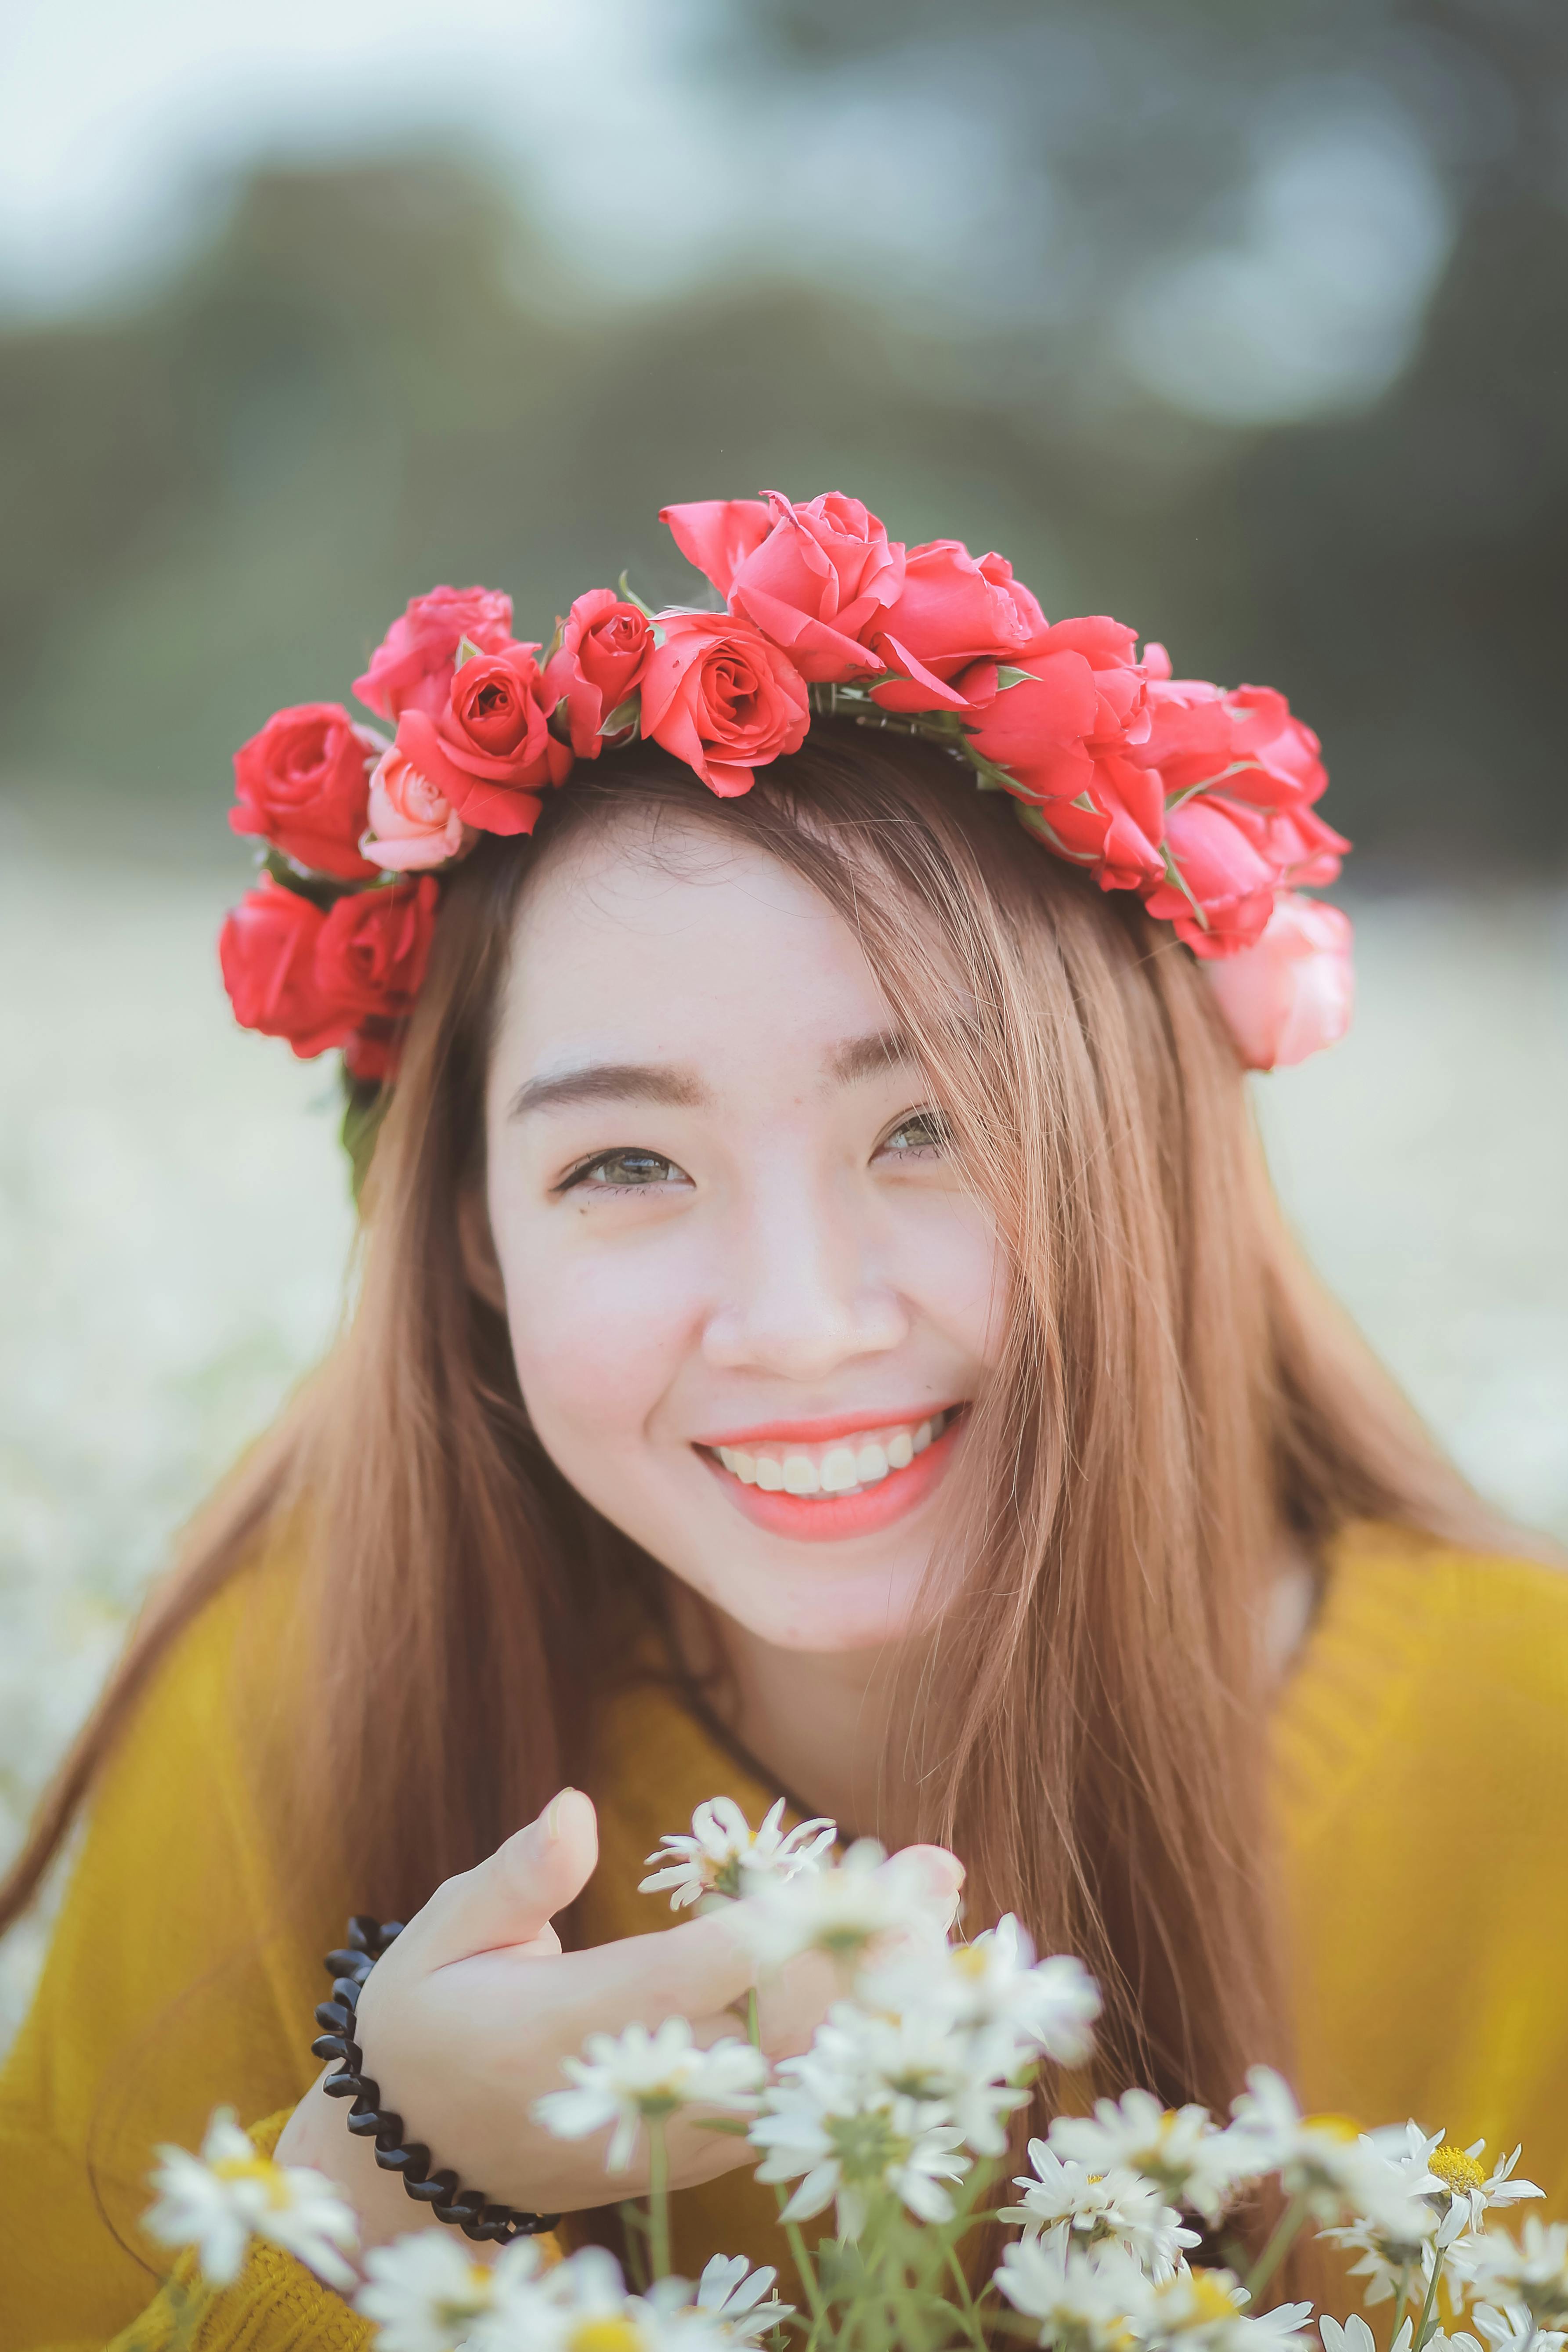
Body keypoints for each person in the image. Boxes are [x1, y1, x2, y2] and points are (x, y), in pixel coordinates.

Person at [1, 497, 1564, 2352]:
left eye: (930, 1129)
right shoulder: (298, 1699)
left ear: (1148, 1153)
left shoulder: (1526, 1751)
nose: (803, 1322)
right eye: (627, 1162)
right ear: (474, 1247)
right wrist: (365, 2184)